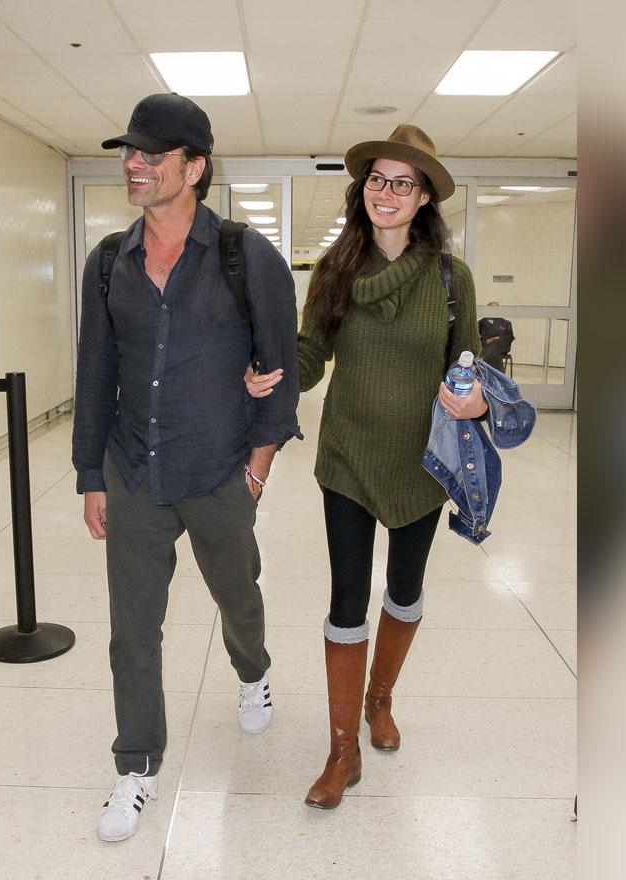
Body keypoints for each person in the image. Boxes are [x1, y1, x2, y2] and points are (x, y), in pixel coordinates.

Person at [71, 93, 301, 842]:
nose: (134, 165)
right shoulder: (109, 261)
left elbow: (282, 367)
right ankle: (135, 764)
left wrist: (258, 469)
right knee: (132, 631)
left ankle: (253, 668)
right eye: (129, 152)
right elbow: (95, 368)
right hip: (134, 468)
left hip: (219, 469)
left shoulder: (244, 256)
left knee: (237, 593)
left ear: (194, 168)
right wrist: (90, 473)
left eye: (152, 154)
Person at [246, 124, 487, 808]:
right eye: (377, 179)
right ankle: (342, 750)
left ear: (423, 198)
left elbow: (467, 364)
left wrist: (470, 400)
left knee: (404, 591)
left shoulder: (450, 277)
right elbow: (311, 354)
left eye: (402, 183)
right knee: (346, 599)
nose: (387, 192)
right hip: (347, 457)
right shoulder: (337, 270)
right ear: (363, 191)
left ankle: (380, 699)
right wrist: (275, 376)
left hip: (423, 464)